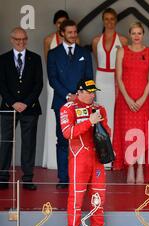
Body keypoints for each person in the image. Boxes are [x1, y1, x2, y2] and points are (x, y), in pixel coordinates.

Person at [60, 79, 112, 226]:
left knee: (98, 198)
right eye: (88, 92)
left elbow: (107, 131)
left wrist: (101, 129)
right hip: (79, 159)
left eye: (93, 91)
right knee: (76, 198)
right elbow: (67, 133)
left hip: (97, 159)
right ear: (79, 92)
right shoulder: (68, 108)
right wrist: (89, 121)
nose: (92, 95)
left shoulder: (99, 108)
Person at [47, 19, 93, 189]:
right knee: (62, 140)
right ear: (62, 33)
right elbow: (53, 79)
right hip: (61, 102)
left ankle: (82, 177)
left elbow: (89, 78)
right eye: (70, 32)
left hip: (82, 103)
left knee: (84, 140)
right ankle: (64, 178)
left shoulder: (84, 53)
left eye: (75, 32)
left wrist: (81, 96)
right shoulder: (53, 54)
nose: (73, 35)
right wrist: (69, 96)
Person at [112, 21, 149, 184]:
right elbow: (118, 77)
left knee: (142, 134)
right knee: (127, 134)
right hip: (125, 100)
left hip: (143, 99)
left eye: (139, 33)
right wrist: (128, 98)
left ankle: (140, 168)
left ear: (143, 35)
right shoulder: (121, 51)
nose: (136, 36)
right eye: (133, 33)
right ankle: (130, 167)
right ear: (129, 35)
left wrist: (143, 97)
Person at [0, 27, 43, 190]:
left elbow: (38, 84)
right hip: (7, 107)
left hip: (30, 108)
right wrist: (13, 102)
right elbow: (1, 84)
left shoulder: (35, 58)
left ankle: (27, 177)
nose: (21, 42)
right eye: (17, 39)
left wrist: (26, 103)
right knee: (5, 142)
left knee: (29, 144)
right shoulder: (2, 59)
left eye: (24, 39)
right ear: (11, 39)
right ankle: (3, 176)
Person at [92, 8, 127, 156]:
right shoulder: (96, 41)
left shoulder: (123, 40)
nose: (109, 22)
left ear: (116, 20)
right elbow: (96, 58)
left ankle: (116, 153)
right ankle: (105, 152)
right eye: (106, 19)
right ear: (103, 20)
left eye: (112, 19)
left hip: (116, 80)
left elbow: (125, 63)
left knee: (115, 115)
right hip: (101, 79)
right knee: (102, 114)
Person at [42, 10, 69, 169]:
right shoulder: (48, 40)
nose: (61, 25)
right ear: (55, 24)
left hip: (69, 83)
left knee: (68, 116)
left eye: (64, 22)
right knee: (54, 116)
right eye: (59, 22)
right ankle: (52, 159)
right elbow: (48, 62)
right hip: (53, 82)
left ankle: (66, 161)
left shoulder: (75, 38)